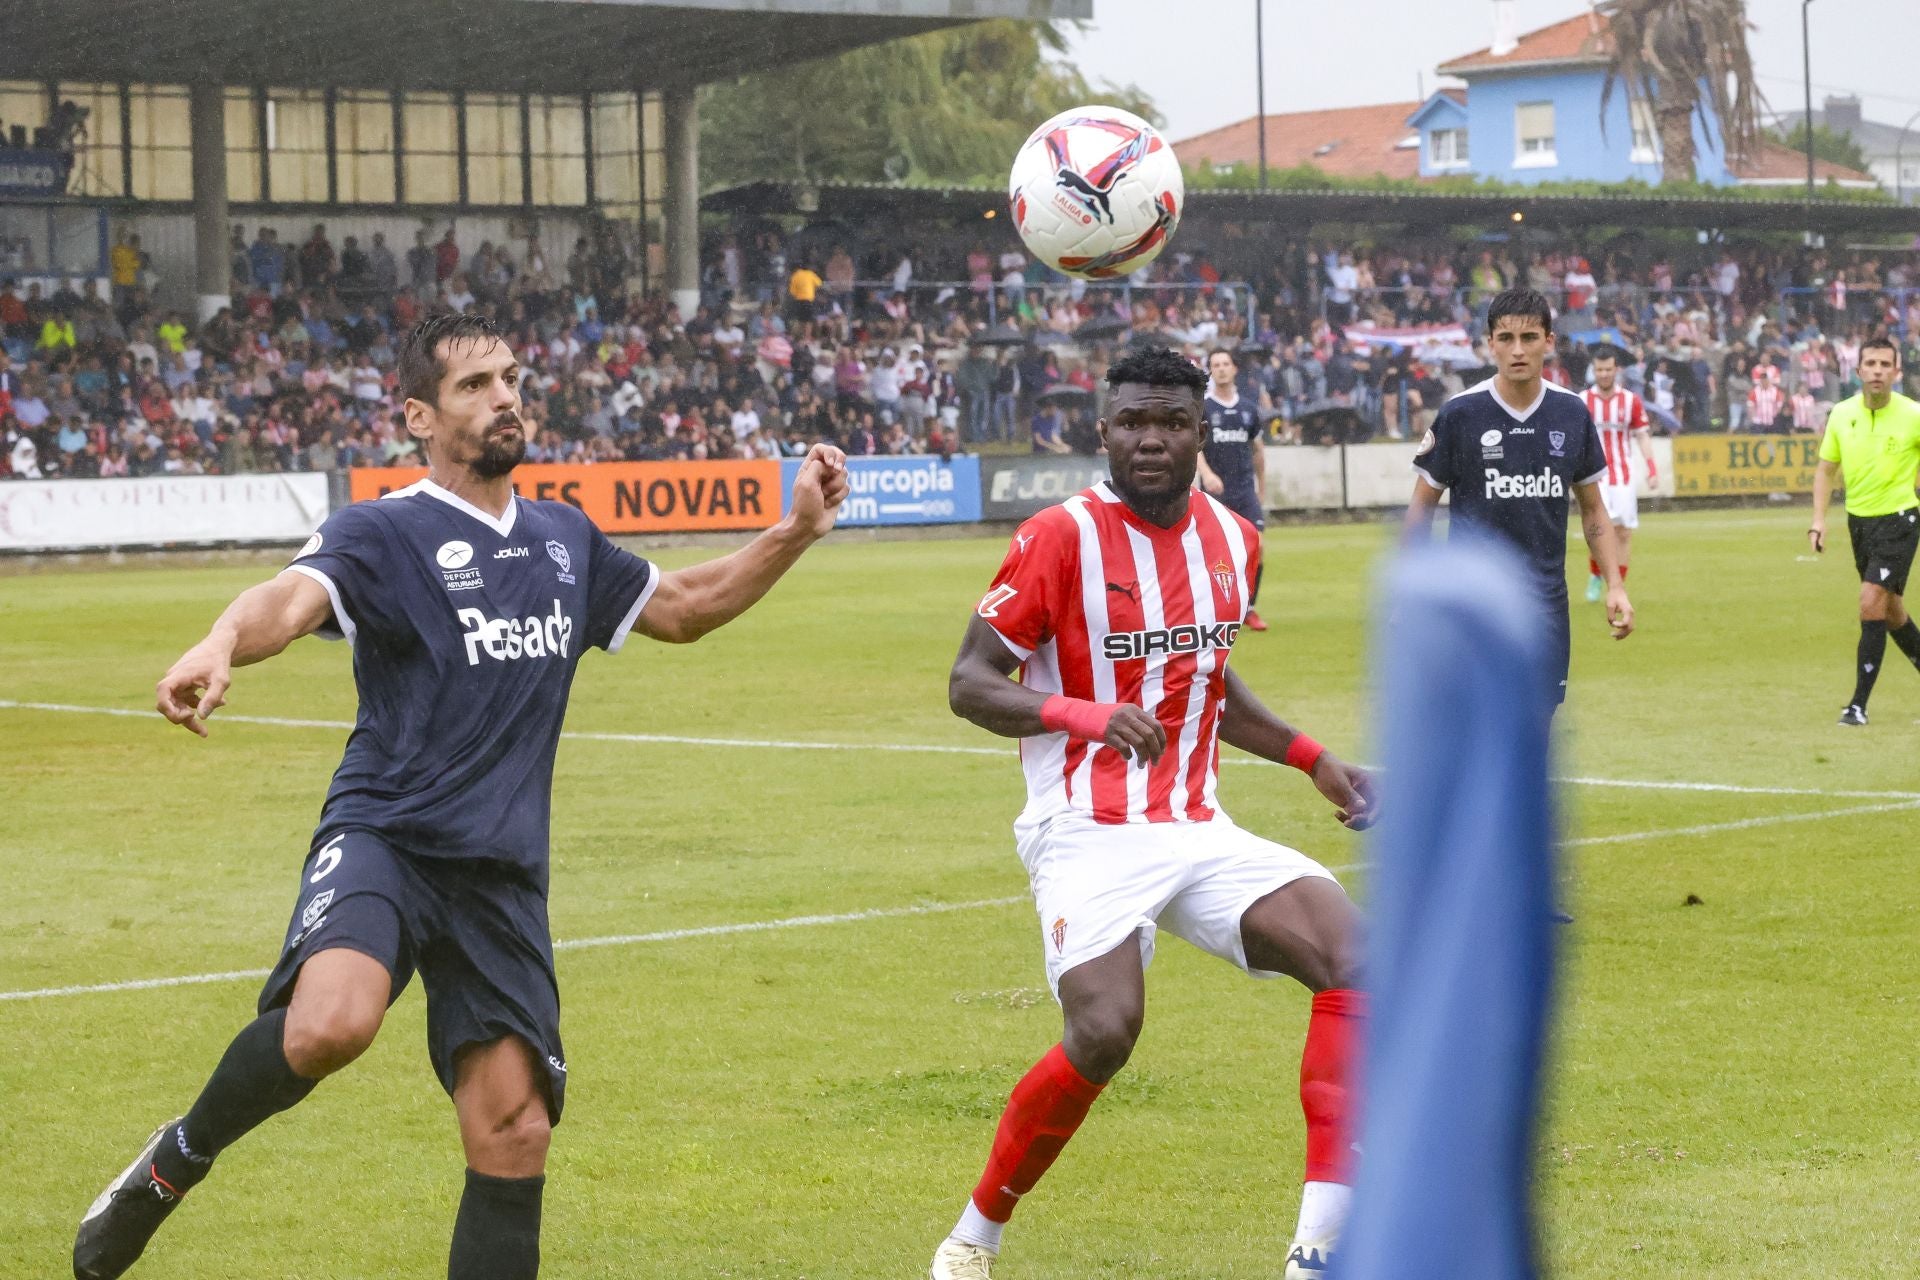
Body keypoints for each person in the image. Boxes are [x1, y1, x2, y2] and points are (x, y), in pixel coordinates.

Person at [71, 313, 850, 1280]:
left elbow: (685, 608)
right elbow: (291, 597)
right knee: (331, 1024)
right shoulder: (382, 530)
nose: (505, 397)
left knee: (513, 1131)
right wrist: (220, 643)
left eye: (511, 378)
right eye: (475, 385)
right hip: (388, 836)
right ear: (419, 416)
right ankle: (171, 1164)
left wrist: (795, 531)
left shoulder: (565, 538)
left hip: (501, 875)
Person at [931, 346, 1376, 1280]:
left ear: (1200, 432)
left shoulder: (1236, 541)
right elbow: (969, 682)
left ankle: (1319, 1250)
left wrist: (1312, 758)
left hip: (1195, 824)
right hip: (1085, 830)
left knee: (1359, 957)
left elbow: (1211, 681)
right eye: (1131, 422)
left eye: (1171, 423)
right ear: (1103, 431)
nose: (1150, 439)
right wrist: (1080, 713)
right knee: (1103, 1033)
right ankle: (974, 1238)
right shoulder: (1059, 537)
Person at [1405, 288, 1634, 713]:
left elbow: (1593, 510)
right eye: (1506, 339)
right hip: (1475, 605)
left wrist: (1615, 585)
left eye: (1529, 338)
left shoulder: (1571, 413)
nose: (1517, 350)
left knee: (1536, 733)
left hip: (1545, 605)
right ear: (1489, 343)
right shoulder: (1461, 414)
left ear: (1549, 342)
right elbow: (1421, 510)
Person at [1808, 336, 1920, 726]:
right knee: (1891, 613)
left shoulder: (1913, 414)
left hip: (1900, 521)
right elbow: (1825, 470)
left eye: (1884, 364)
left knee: (1870, 601)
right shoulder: (1840, 414)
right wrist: (1819, 520)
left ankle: (1857, 705)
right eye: (1870, 364)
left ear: (1896, 372)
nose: (1876, 370)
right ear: (1858, 371)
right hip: (1860, 523)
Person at [1195, 348, 1271, 631]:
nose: (1222, 368)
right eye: (1216, 364)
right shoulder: (1203, 408)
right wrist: (1206, 474)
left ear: (1234, 368)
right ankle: (1215, 609)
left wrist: (1261, 489)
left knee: (1258, 548)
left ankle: (1249, 608)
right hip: (1215, 494)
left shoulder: (1249, 409)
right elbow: (1194, 448)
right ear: (1210, 371)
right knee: (1217, 555)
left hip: (1244, 490)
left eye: (1226, 363)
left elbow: (1258, 452)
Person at [1578, 347, 1656, 604]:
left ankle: (1617, 584)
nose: (1603, 374)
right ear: (1594, 370)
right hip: (1592, 476)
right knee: (1598, 527)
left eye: (1608, 369)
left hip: (1622, 475)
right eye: (1599, 370)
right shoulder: (1582, 401)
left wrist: (1651, 467)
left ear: (1616, 370)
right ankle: (1595, 575)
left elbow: (1642, 434)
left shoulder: (1630, 400)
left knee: (1622, 531)